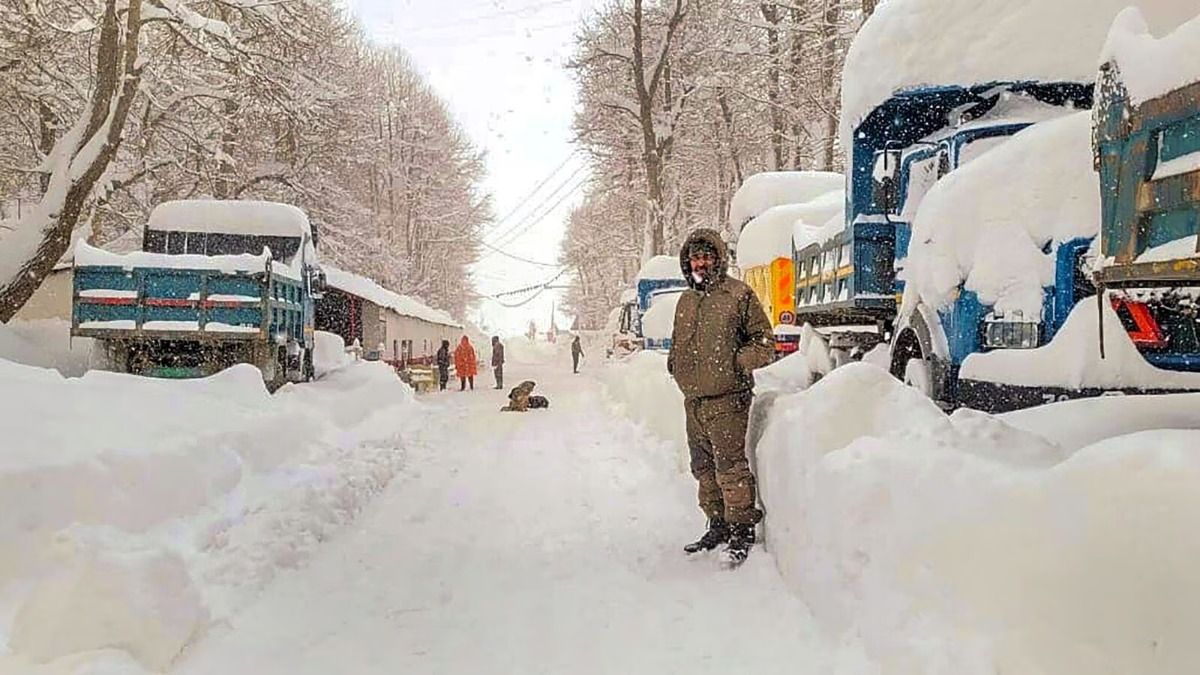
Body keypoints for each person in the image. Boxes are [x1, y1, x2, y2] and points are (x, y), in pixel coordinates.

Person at [667, 228, 775, 565]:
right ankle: (717, 524)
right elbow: (678, 342)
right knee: (703, 468)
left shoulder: (738, 295)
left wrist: (737, 363)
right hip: (694, 401)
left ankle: (741, 529)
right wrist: (675, 364)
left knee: (730, 468)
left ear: (718, 259)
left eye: (706, 256)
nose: (700, 263)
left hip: (728, 398)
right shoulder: (685, 300)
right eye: (695, 258)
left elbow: (764, 342)